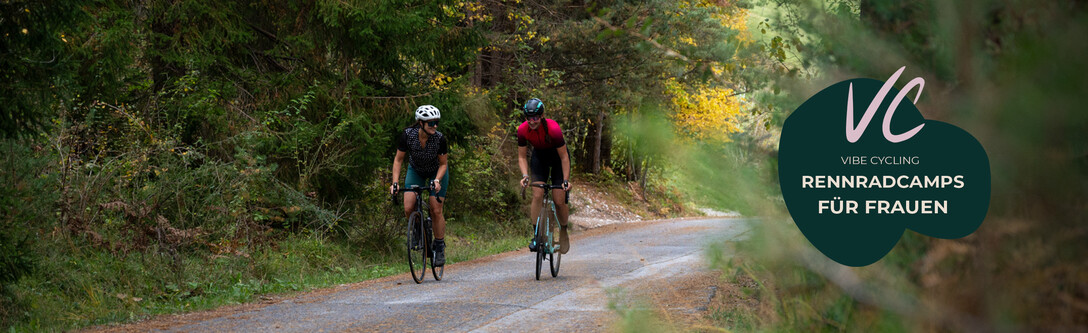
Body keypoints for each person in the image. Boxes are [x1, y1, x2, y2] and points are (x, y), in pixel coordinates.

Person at [390, 105, 449, 266]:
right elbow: (398, 160)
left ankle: (439, 244)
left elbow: (443, 164)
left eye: (437, 122)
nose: (435, 126)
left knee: (435, 209)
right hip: (416, 170)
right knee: (408, 207)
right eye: (431, 123)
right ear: (421, 123)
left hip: (436, 172)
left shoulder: (439, 138)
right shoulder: (407, 135)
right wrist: (395, 183)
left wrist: (436, 180)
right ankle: (418, 229)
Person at [516, 98, 572, 254]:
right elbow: (521, 157)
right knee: (537, 194)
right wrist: (525, 175)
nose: (532, 121)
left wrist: (565, 181)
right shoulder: (522, 130)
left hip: (557, 159)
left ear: (541, 116)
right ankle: (536, 235)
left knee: (559, 200)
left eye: (535, 118)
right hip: (539, 157)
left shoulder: (553, 129)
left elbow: (564, 158)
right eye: (528, 118)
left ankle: (563, 232)